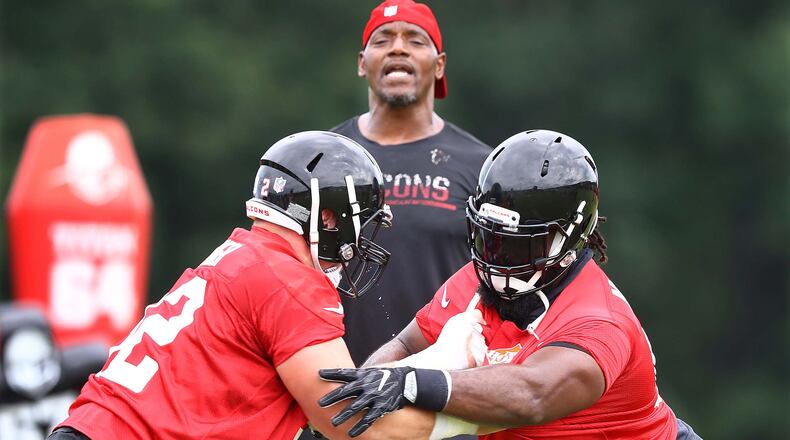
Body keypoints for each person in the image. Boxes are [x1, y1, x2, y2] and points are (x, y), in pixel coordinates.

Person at [48, 131, 479, 440]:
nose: (361, 239)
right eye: (359, 222)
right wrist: (471, 420)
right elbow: (346, 421)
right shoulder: (289, 280)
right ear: (328, 218)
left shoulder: (242, 254)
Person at [318, 130, 703, 439]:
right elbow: (407, 344)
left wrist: (411, 383)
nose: (499, 257)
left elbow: (531, 394)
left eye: (522, 243)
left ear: (570, 239)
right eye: (492, 238)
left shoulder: (598, 320)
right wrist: (357, 392)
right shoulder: (480, 275)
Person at [330, 0, 492, 367]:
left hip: (447, 393)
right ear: (361, 62)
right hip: (335, 389)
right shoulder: (324, 159)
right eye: (383, 39)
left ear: (440, 65)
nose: (398, 47)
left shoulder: (481, 167)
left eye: (415, 40)